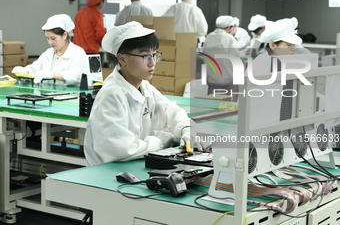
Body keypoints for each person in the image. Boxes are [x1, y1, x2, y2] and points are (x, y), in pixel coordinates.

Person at [84, 22, 206, 166]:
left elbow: (170, 111)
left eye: (154, 55)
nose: (152, 62)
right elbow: (119, 149)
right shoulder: (112, 94)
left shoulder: (143, 86)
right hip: (106, 174)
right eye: (144, 56)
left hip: (133, 166)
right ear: (122, 59)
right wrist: (161, 141)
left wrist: (186, 129)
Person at [12, 14, 86, 85]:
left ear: (65, 35)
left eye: (53, 38)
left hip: (69, 95)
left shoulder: (78, 52)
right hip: (46, 94)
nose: (50, 42)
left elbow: (78, 75)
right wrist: (25, 71)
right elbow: (35, 68)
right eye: (47, 38)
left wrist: (51, 75)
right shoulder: (49, 53)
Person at [202, 15, 240, 97]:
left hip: (211, 79)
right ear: (229, 27)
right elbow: (236, 59)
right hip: (226, 80)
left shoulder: (209, 37)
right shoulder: (229, 38)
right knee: (226, 103)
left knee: (212, 99)